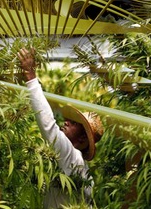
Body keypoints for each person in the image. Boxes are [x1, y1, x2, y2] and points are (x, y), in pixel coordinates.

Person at [17, 48, 104, 208]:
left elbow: (49, 126)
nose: (66, 122)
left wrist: (30, 77)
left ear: (83, 138)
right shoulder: (76, 166)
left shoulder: (73, 159)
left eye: (74, 123)